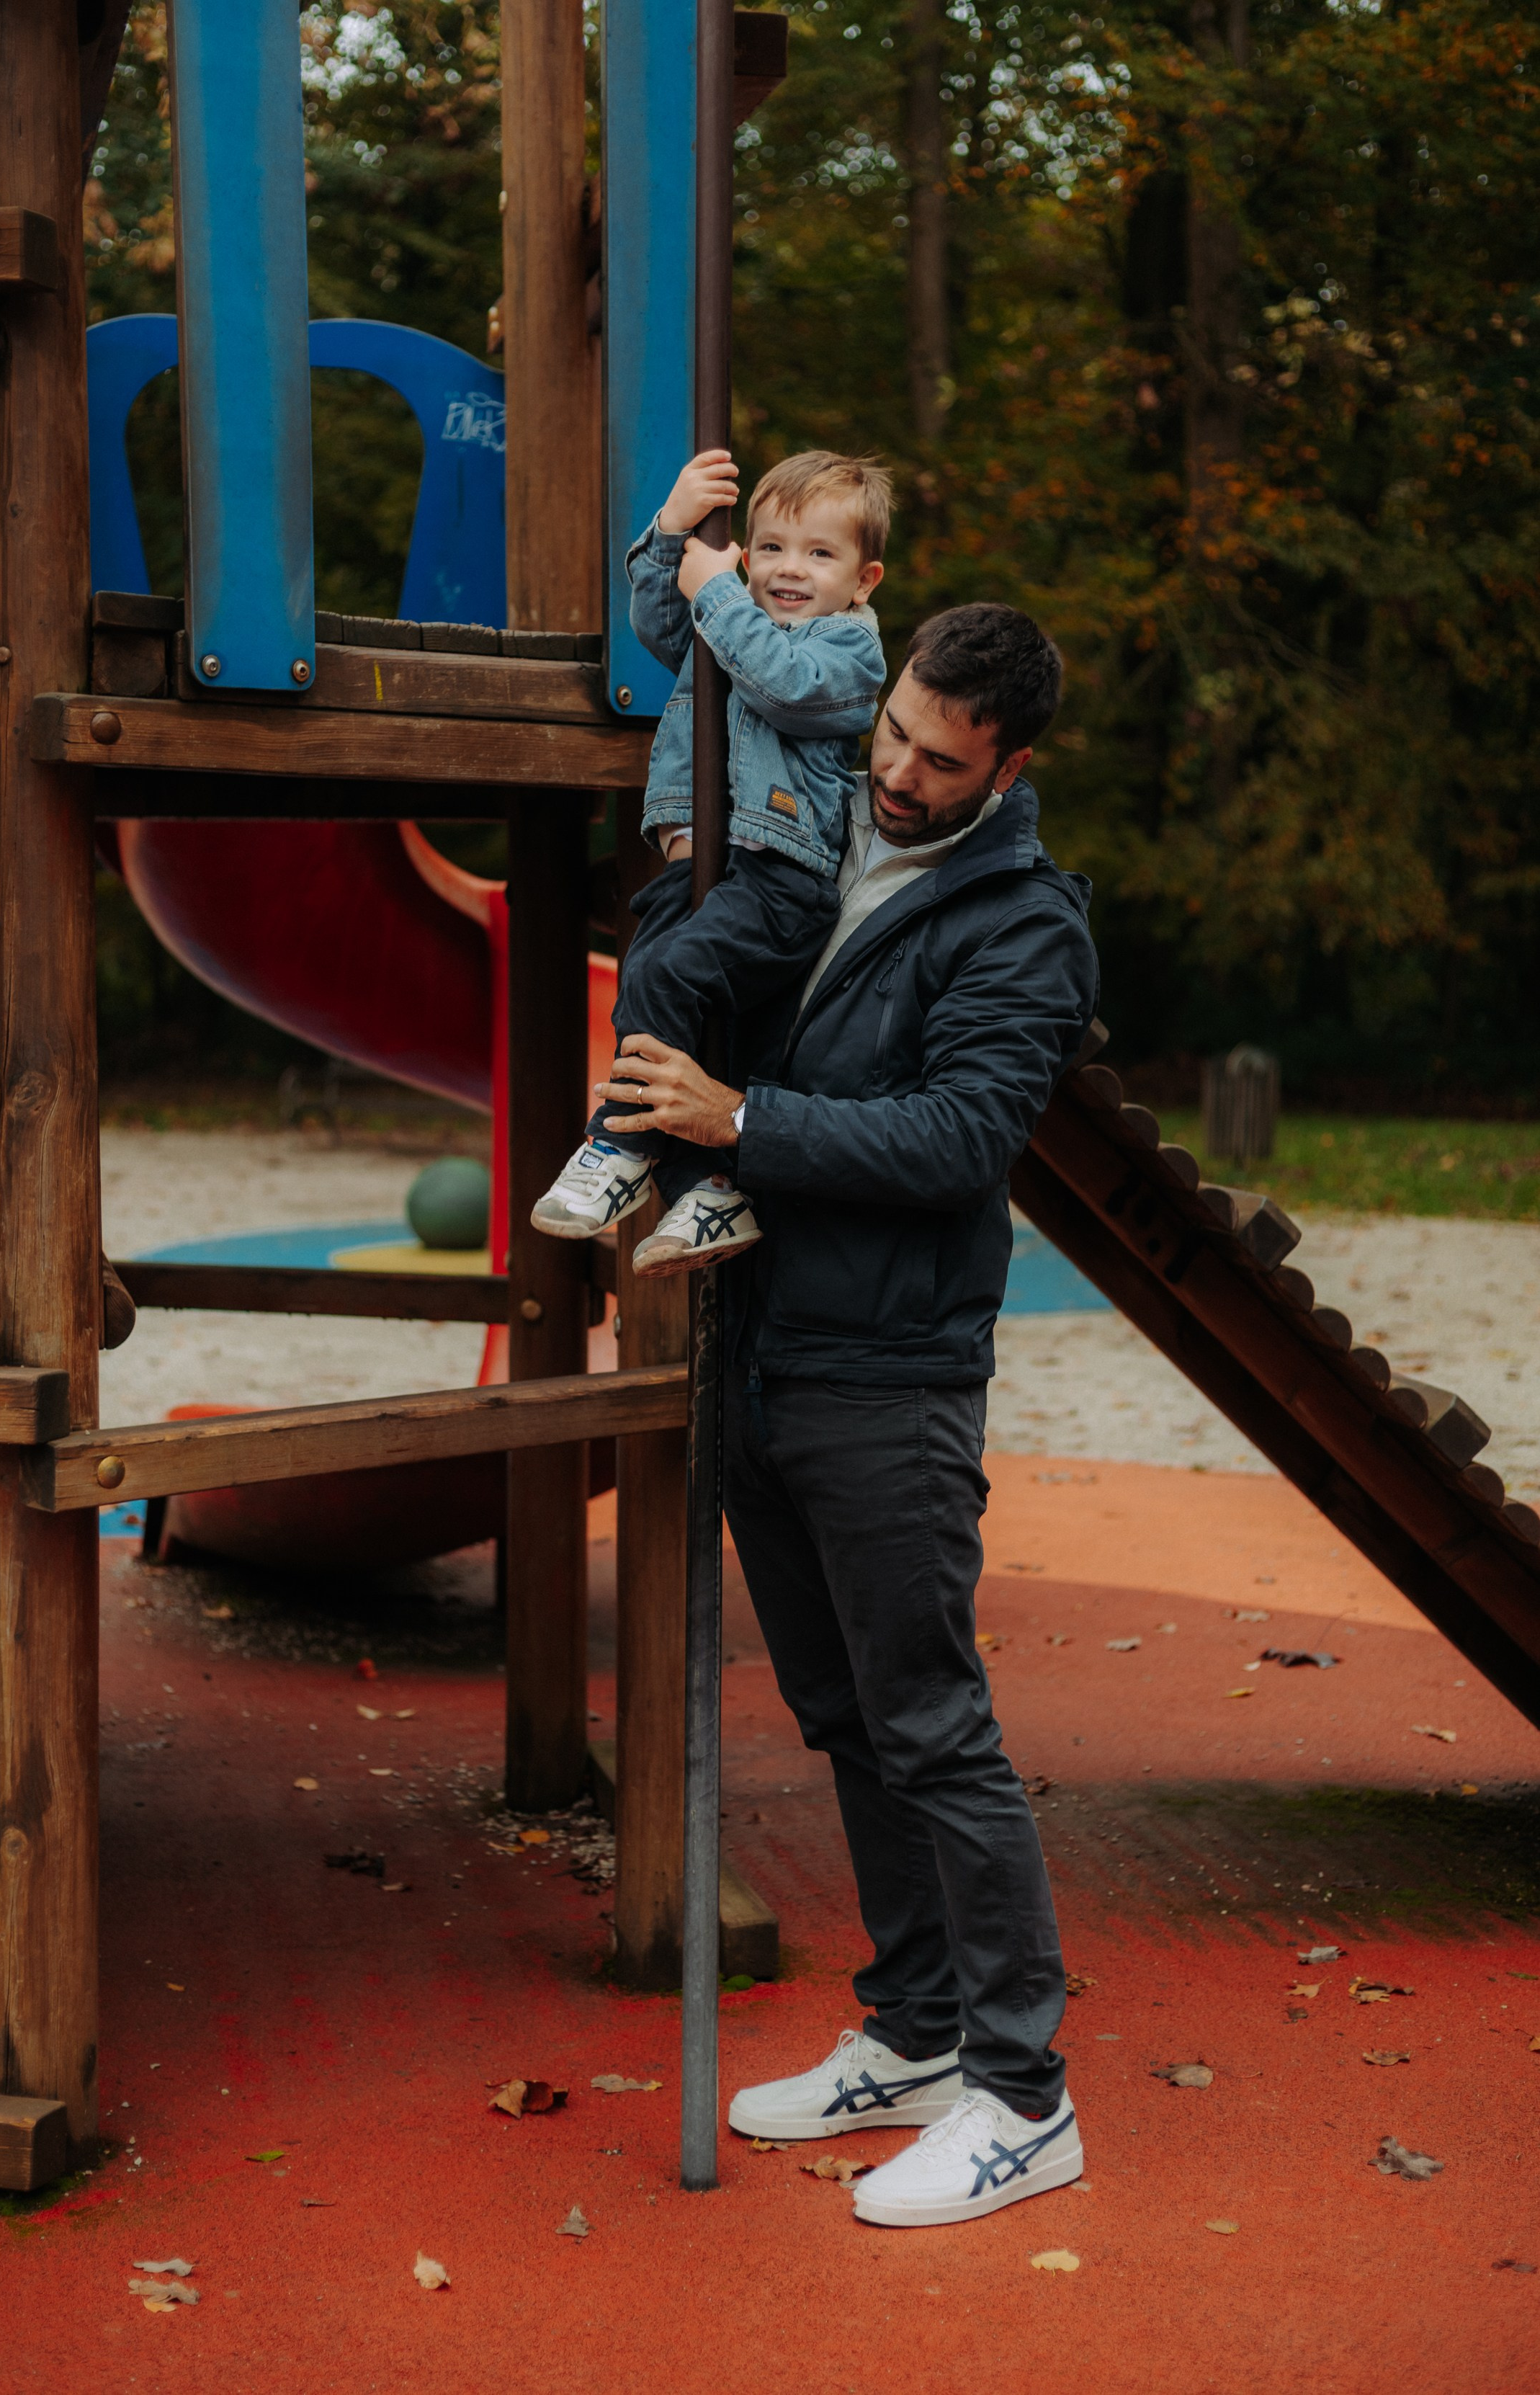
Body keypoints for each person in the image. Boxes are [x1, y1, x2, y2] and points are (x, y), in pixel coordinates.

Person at [593, 601, 1100, 2230]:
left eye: (936, 761)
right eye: (889, 731)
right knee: (844, 1719)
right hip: (758, 1350)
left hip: (887, 1379)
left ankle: (1024, 2096)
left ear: (1005, 767)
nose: (895, 770)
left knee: (935, 1727)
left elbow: (958, 1140)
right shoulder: (811, 832)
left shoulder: (1023, 926)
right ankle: (916, 2026)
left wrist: (738, 1119)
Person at [531, 447, 890, 1275]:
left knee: (663, 983)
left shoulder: (845, 649)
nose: (787, 569)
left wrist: (721, 591)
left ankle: (616, 1144)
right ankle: (710, 1184)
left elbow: (783, 685)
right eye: (768, 547)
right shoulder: (727, 621)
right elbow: (663, 621)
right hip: (693, 872)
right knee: (652, 994)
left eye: (817, 553)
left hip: (774, 878)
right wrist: (671, 529)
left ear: (863, 579)